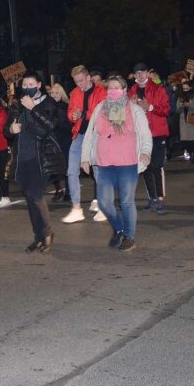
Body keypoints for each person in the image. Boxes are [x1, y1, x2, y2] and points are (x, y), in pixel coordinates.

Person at [81, 75, 153, 252]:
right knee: (104, 203)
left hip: (127, 163)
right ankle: (119, 228)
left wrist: (145, 153)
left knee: (126, 201)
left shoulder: (134, 111)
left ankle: (129, 236)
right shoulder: (100, 109)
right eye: (110, 88)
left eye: (116, 88)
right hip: (104, 163)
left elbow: (145, 135)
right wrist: (85, 157)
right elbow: (90, 134)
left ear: (124, 90)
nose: (112, 91)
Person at [6, 72, 65, 252]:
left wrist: (33, 109)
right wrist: (11, 129)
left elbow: (50, 126)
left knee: (37, 196)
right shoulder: (18, 105)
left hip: (40, 158)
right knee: (30, 199)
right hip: (22, 157)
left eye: (31, 83)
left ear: (39, 85)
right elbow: (7, 131)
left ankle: (47, 233)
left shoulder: (48, 103)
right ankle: (38, 236)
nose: (27, 87)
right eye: (24, 84)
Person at [62, 65, 106, 223]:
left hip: (96, 135)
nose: (79, 84)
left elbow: (102, 113)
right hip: (79, 134)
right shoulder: (74, 93)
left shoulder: (101, 91)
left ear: (88, 78)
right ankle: (76, 208)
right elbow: (70, 114)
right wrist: (73, 116)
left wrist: (83, 114)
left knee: (97, 171)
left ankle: (103, 207)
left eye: (81, 80)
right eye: (76, 81)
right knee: (71, 171)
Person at [128, 63, 170, 214]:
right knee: (145, 167)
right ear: (134, 75)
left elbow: (166, 110)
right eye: (137, 73)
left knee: (156, 167)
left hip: (157, 133)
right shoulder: (131, 91)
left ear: (147, 73)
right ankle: (152, 198)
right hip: (140, 135)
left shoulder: (158, 88)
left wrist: (150, 107)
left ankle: (160, 198)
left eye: (143, 72)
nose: (140, 75)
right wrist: (130, 106)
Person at [49, 83, 72, 201]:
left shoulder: (66, 106)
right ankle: (58, 189)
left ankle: (68, 192)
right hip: (52, 140)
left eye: (56, 93)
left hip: (64, 139)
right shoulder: (47, 107)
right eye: (52, 93)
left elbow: (69, 124)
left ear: (61, 93)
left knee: (67, 166)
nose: (54, 95)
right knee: (52, 166)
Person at [176, 79, 194, 163]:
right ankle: (189, 152)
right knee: (186, 141)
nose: (185, 90)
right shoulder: (180, 97)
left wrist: (190, 105)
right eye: (184, 89)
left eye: (187, 88)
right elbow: (177, 111)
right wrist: (181, 107)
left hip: (193, 120)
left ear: (191, 88)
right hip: (184, 121)